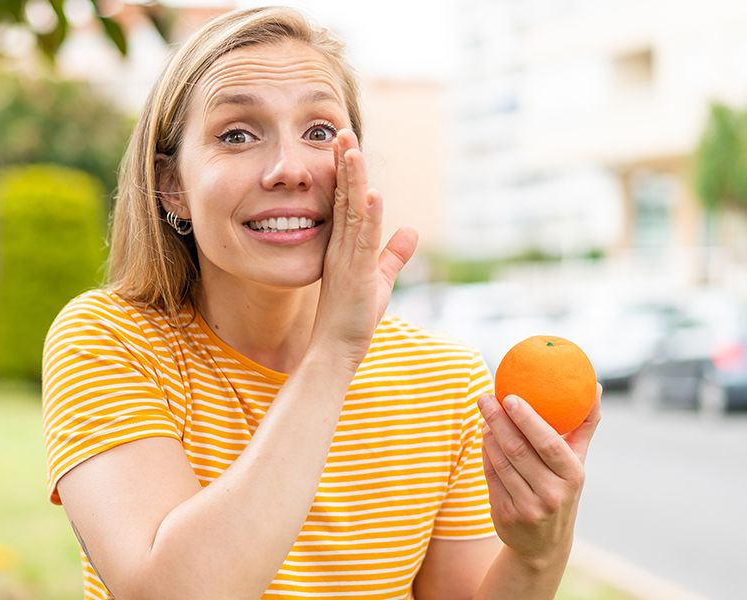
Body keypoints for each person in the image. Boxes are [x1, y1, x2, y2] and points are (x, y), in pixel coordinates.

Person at [41, 7, 602, 599]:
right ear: (171, 185)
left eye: (318, 132)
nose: (290, 169)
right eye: (237, 134)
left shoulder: (444, 381)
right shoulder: (107, 340)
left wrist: (540, 554)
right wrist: (336, 350)